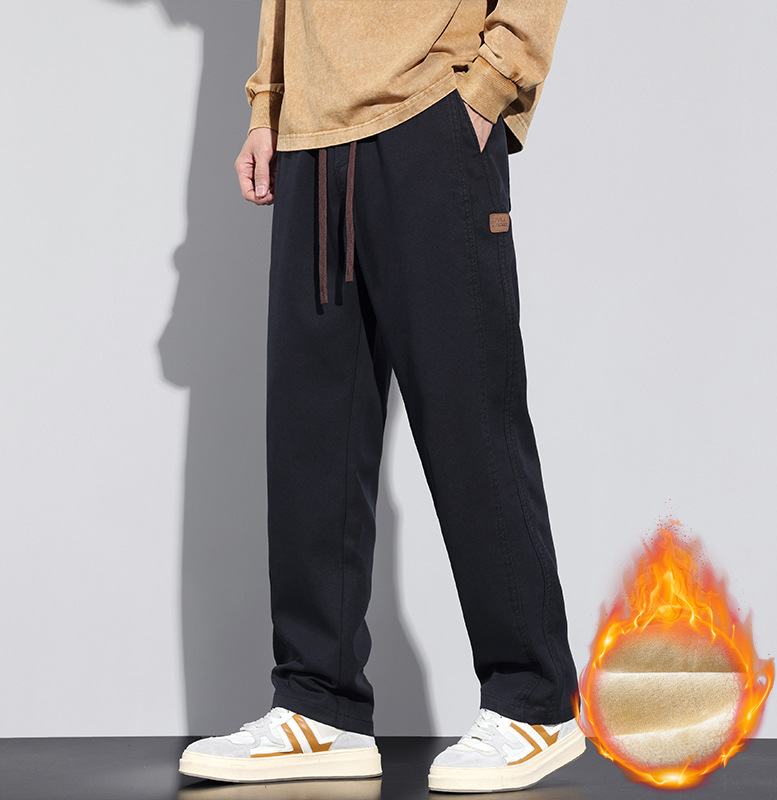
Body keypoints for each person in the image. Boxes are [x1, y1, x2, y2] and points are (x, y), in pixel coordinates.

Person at [179, 0, 584, 792]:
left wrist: (494, 84)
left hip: (432, 108)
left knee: (470, 420)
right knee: (312, 436)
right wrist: (269, 103)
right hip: (310, 133)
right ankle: (318, 704)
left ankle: (534, 703)